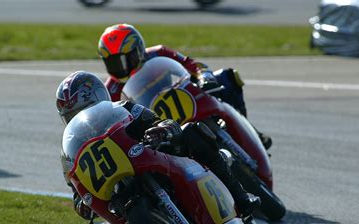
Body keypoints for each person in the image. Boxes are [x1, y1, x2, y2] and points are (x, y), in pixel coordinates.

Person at [56, 70, 260, 224]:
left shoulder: (123, 109)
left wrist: (162, 130)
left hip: (158, 159)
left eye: (86, 109)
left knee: (193, 132)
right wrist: (81, 205)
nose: (82, 117)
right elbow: (77, 191)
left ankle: (240, 196)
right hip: (122, 198)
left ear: (100, 98)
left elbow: (161, 121)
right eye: (72, 115)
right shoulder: (72, 150)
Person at [97, 23, 272, 150]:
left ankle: (251, 132)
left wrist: (205, 77)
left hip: (186, 98)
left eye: (124, 59)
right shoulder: (111, 90)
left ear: (139, 50)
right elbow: (112, 124)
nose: (120, 67)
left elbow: (193, 65)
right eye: (111, 62)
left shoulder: (159, 52)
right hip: (158, 127)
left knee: (227, 76)